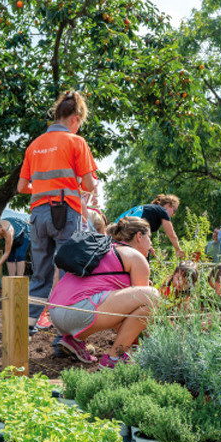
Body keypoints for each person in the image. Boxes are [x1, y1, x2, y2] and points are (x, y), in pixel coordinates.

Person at [18, 90, 98, 331]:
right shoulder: (76, 142)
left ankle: (26, 329)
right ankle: (65, 334)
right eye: (80, 123)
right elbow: (89, 184)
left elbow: (22, 187)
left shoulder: (35, 145)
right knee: (68, 276)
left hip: (38, 215)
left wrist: (45, 187)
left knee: (40, 276)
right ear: (75, 117)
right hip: (66, 213)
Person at [47, 217, 159, 369]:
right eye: (149, 238)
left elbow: (123, 311)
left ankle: (75, 340)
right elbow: (142, 314)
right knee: (152, 295)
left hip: (55, 312)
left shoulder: (103, 248)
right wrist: (151, 346)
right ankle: (115, 358)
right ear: (139, 236)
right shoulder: (136, 257)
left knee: (135, 299)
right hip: (79, 312)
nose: (151, 243)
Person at [117, 195, 186, 259]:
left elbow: (144, 230)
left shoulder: (150, 209)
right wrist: (178, 249)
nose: (173, 214)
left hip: (119, 233)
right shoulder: (162, 211)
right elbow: (171, 234)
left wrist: (149, 247)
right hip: (129, 233)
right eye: (174, 211)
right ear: (168, 205)